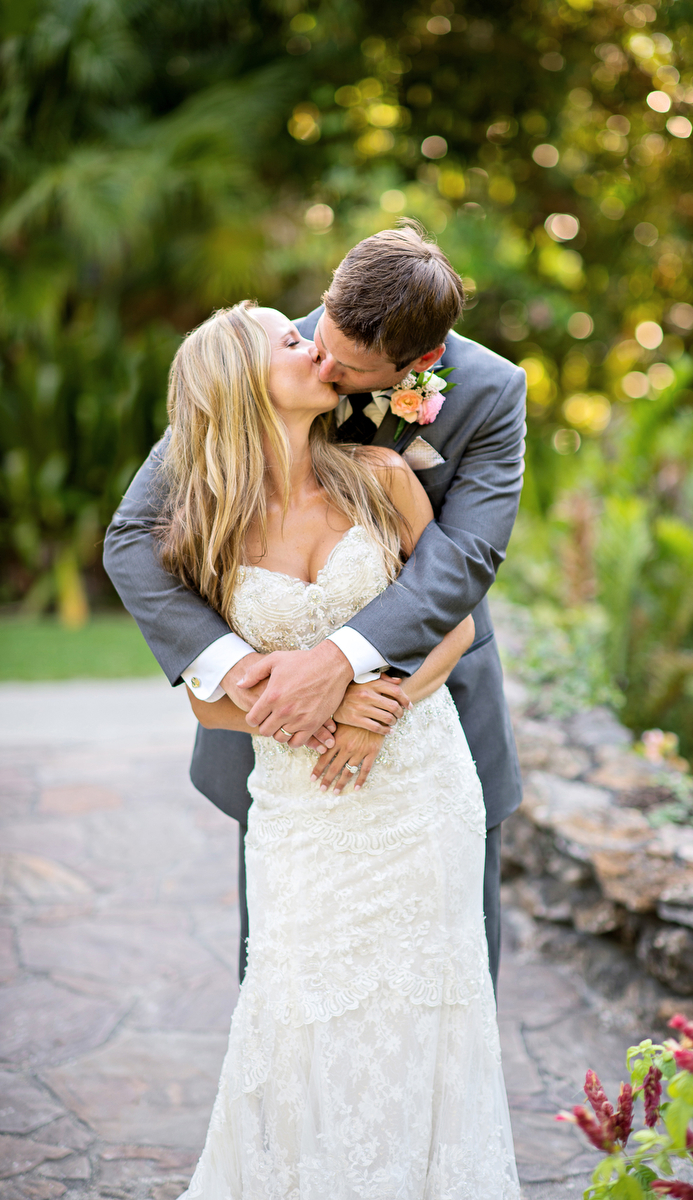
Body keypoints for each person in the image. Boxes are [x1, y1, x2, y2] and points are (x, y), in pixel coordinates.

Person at [155, 300, 520, 1197]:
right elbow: (210, 707)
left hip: (417, 784)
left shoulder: (378, 473)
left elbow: (454, 616)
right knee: (296, 1012)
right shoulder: (203, 522)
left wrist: (372, 707)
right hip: (300, 805)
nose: (314, 346)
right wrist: (318, 718)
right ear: (243, 383)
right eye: (291, 340)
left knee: (428, 1009)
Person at [103, 223, 525, 988]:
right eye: (316, 339)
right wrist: (240, 671)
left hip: (431, 714)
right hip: (278, 747)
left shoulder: (491, 393)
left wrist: (346, 670)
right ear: (328, 294)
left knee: (448, 983)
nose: (322, 364)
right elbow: (134, 534)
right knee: (287, 988)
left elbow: (461, 560)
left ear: (420, 363)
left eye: (348, 368)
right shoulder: (257, 358)